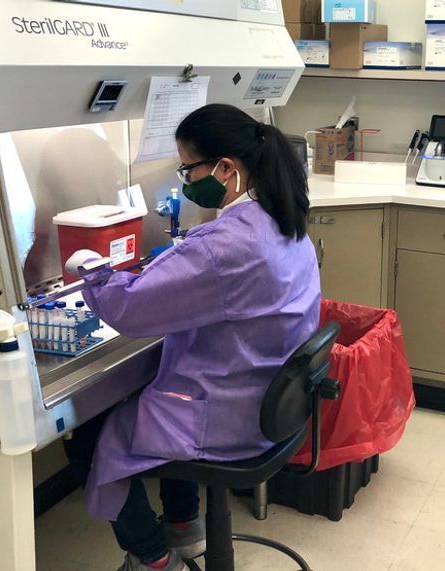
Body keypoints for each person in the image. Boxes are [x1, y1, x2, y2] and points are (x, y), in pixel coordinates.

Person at [63, 104, 320, 571]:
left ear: (227, 168)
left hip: (227, 417)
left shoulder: (225, 245)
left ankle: (152, 557)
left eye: (188, 168)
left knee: (88, 434)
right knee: (156, 390)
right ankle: (186, 528)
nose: (185, 179)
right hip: (267, 403)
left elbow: (129, 308)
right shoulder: (283, 217)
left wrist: (87, 269)